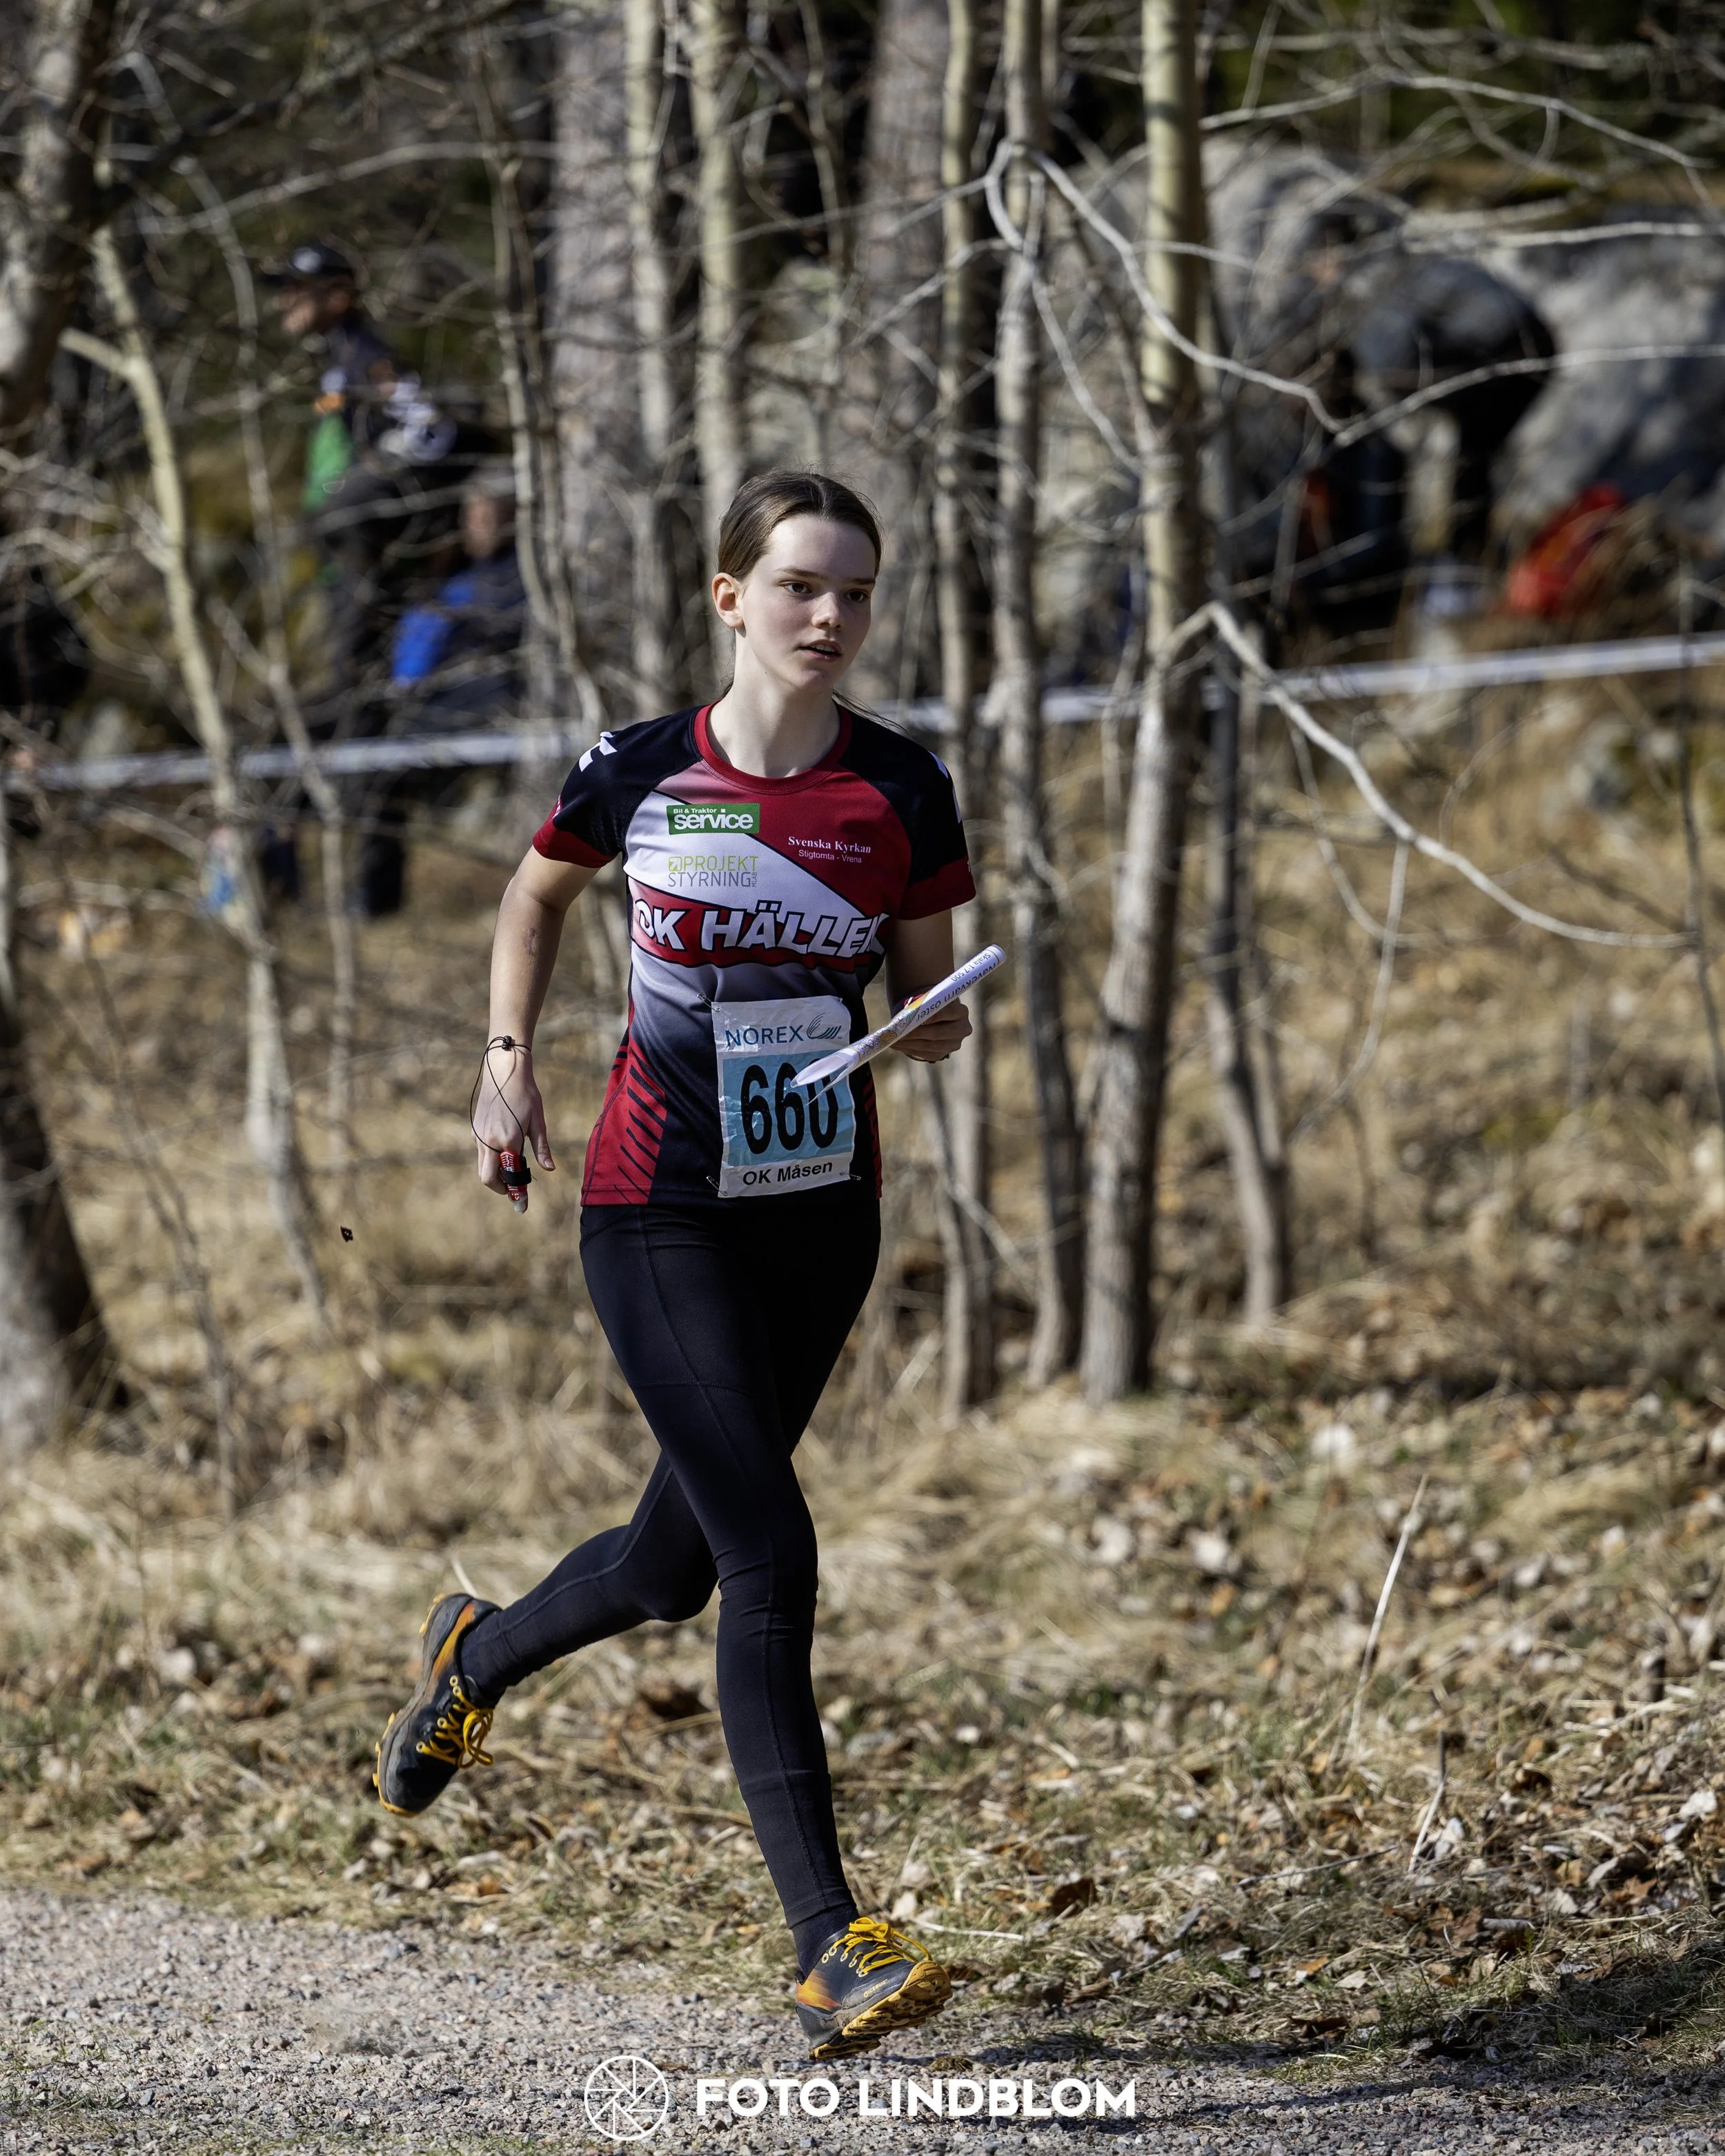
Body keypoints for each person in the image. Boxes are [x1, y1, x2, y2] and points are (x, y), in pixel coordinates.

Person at [373, 468, 976, 2060]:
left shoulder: (903, 790)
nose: (829, 616)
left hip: (821, 1207)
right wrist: (505, 1064)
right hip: (658, 1204)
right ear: (731, 599)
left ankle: (471, 1654)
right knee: (770, 1552)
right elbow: (532, 894)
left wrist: (931, 1026)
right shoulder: (642, 771)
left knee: (672, 1565)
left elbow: (931, 997)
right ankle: (829, 1941)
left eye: (853, 590)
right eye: (797, 586)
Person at [349, 464, 529, 916]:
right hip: (416, 699)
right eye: (470, 515)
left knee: (384, 774)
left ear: (509, 517)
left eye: (484, 516)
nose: (472, 525)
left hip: (472, 705)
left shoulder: (518, 579)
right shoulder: (459, 575)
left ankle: (373, 902)